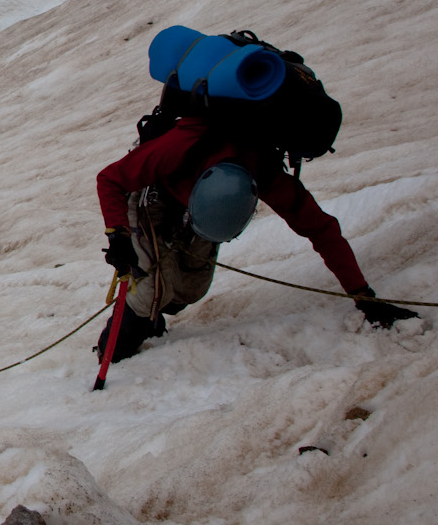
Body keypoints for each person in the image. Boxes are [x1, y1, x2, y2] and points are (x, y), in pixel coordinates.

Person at [96, 114, 416, 362]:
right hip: (151, 197)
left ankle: (152, 316)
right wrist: (119, 235)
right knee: (151, 286)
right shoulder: (185, 144)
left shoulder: (263, 171)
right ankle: (114, 350)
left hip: (204, 213)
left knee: (191, 286)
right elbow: (110, 179)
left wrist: (364, 296)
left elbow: (322, 230)